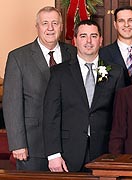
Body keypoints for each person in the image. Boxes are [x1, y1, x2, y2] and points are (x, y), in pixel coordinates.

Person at [43, 20, 126, 172]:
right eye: (83, 36)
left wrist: (118, 154)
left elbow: (120, 117)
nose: (88, 41)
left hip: (104, 151)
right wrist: (53, 154)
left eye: (93, 36)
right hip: (68, 153)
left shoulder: (116, 72)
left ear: (100, 40)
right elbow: (51, 116)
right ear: (75, 40)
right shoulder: (59, 73)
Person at [3, 6, 76, 171]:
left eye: (55, 23)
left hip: (68, 143)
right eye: (45, 23)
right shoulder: (18, 57)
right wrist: (18, 143)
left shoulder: (73, 53)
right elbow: (12, 104)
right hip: (32, 145)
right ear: (37, 27)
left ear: (61, 26)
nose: (50, 28)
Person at [99, 6, 132, 85]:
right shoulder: (103, 54)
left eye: (131, 20)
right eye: (121, 21)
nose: (126, 24)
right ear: (115, 25)